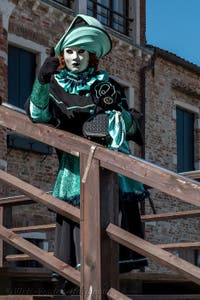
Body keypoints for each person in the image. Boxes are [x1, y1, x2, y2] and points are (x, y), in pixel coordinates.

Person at [26, 14, 148, 293]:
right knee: (77, 227)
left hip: (108, 171)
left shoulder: (107, 85)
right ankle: (77, 284)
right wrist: (41, 82)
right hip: (73, 169)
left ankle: (106, 284)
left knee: (107, 225)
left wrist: (114, 116)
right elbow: (37, 114)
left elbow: (132, 126)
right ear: (62, 55)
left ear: (91, 55)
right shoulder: (55, 85)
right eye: (70, 51)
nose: (76, 57)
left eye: (82, 51)